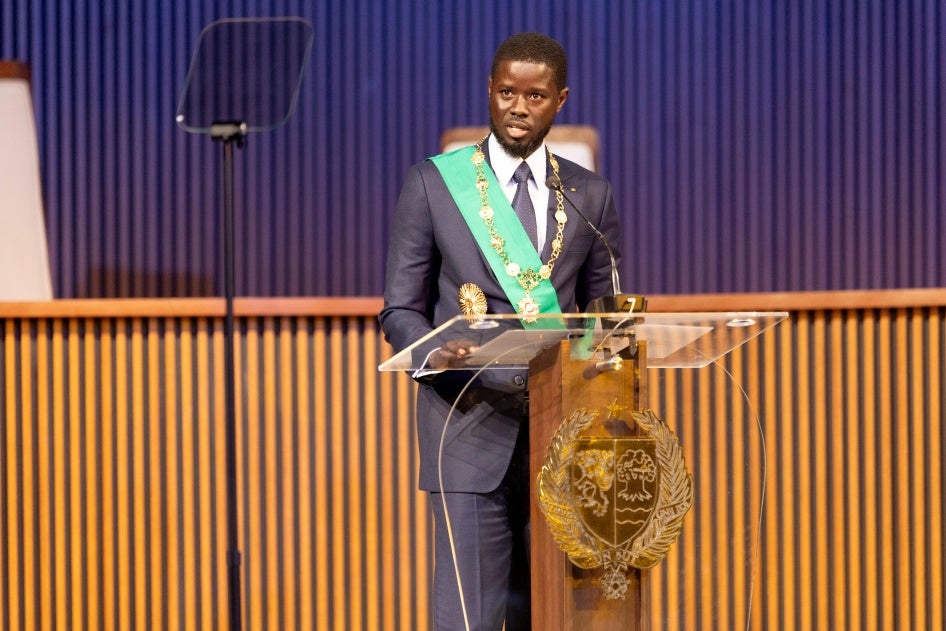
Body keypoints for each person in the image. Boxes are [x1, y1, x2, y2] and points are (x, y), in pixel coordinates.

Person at [379, 32, 622, 631]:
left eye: (535, 96)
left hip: (562, 438)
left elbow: (604, 314)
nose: (518, 107)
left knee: (559, 617)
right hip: (467, 428)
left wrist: (609, 349)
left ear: (560, 100)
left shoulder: (589, 195)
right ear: (490, 90)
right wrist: (438, 351)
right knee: (470, 620)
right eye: (507, 92)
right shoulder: (434, 184)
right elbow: (399, 311)